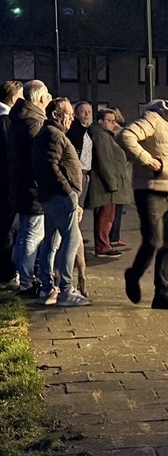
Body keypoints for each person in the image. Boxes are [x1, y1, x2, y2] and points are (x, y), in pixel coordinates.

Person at [118, 85, 168, 310]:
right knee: (153, 241)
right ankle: (133, 276)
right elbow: (126, 135)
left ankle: (161, 294)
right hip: (150, 189)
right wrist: (146, 159)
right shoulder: (154, 119)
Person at [32, 97, 90, 306]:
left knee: (52, 241)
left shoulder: (48, 134)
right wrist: (68, 191)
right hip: (60, 197)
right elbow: (51, 166)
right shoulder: (53, 135)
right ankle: (66, 290)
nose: (71, 120)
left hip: (51, 196)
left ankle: (48, 288)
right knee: (70, 240)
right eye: (68, 115)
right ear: (55, 114)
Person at [8, 80, 52, 297]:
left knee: (26, 232)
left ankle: (22, 277)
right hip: (32, 187)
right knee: (32, 234)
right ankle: (26, 282)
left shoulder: (19, 118)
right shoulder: (34, 121)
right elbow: (39, 156)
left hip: (21, 184)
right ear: (41, 99)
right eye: (48, 96)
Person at [86, 109, 132, 257]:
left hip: (108, 185)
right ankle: (103, 247)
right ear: (101, 121)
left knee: (106, 217)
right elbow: (105, 161)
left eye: (114, 121)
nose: (113, 124)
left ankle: (104, 245)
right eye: (110, 121)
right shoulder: (101, 136)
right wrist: (112, 184)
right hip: (105, 187)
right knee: (104, 217)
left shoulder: (105, 135)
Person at [0, 81, 23, 289]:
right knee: (6, 229)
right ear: (14, 100)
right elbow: (10, 156)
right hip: (5, 187)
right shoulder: (6, 122)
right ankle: (6, 275)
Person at [108, 108, 129, 249]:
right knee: (113, 209)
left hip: (119, 173)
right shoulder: (116, 134)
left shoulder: (116, 132)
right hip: (116, 174)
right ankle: (112, 238)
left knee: (116, 208)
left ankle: (114, 237)